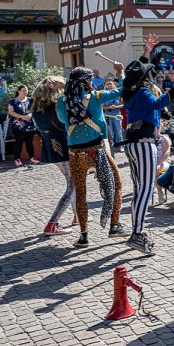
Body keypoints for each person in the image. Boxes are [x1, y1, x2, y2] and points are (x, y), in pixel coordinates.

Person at [122, 35, 174, 256]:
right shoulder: (143, 91)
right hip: (143, 143)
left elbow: (137, 69)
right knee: (145, 190)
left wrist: (147, 51)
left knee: (140, 190)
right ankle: (137, 234)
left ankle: (138, 230)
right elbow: (156, 103)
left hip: (133, 143)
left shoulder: (129, 89)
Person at [57, 65, 127, 248]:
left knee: (80, 193)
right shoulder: (96, 97)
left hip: (75, 153)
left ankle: (83, 235)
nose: (91, 83)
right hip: (97, 150)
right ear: (85, 82)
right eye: (89, 80)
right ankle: (114, 225)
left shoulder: (61, 101)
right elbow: (123, 90)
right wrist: (121, 73)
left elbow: (63, 121)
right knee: (116, 184)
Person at [31, 76, 77, 236]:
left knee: (71, 182)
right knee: (74, 185)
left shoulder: (36, 106)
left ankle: (77, 216)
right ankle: (52, 223)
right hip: (63, 147)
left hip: (50, 147)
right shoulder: (55, 105)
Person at [8, 84, 38, 166]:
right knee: (19, 142)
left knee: (29, 142)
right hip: (18, 125)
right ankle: (17, 159)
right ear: (19, 91)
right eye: (23, 90)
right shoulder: (13, 101)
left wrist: (29, 115)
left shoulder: (30, 100)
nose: (25, 92)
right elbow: (11, 112)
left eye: (26, 90)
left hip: (30, 124)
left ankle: (32, 158)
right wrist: (22, 117)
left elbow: (33, 110)